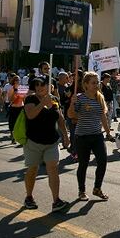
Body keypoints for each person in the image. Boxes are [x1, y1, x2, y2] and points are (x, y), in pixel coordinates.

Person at [22, 77, 70, 212]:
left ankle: (56, 201)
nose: (39, 87)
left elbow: (60, 118)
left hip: (52, 142)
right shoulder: (30, 99)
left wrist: (66, 136)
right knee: (33, 169)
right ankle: (29, 197)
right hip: (34, 142)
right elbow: (30, 115)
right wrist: (43, 102)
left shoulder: (55, 100)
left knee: (53, 168)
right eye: (36, 85)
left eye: (42, 85)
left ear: (50, 86)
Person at [68, 72, 113, 203]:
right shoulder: (79, 98)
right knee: (83, 164)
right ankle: (81, 191)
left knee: (103, 161)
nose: (96, 85)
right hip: (82, 136)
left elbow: (102, 116)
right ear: (86, 84)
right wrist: (72, 103)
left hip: (97, 135)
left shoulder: (100, 97)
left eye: (97, 82)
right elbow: (71, 116)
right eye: (93, 83)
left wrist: (108, 132)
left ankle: (97, 188)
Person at [7, 75, 26, 144]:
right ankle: (13, 137)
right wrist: (15, 92)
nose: (18, 81)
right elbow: (10, 100)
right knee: (13, 123)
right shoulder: (11, 89)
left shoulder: (22, 89)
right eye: (16, 80)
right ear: (13, 81)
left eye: (19, 80)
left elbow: (24, 98)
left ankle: (21, 136)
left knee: (21, 123)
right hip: (14, 108)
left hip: (21, 107)